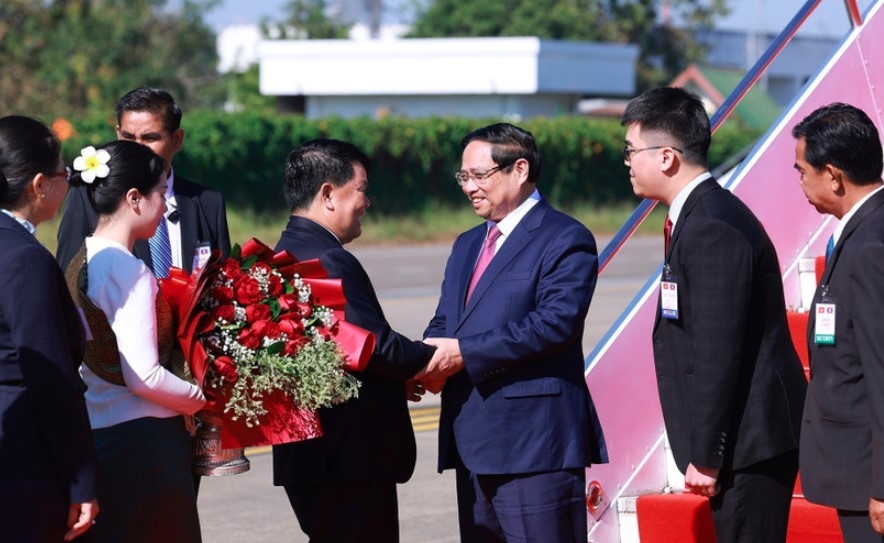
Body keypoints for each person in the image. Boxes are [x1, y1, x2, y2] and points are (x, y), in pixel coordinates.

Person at [620, 86, 807, 542]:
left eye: (631, 151)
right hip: (739, 442)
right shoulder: (697, 215)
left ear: (666, 157)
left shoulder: (711, 227)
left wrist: (706, 453)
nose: (626, 162)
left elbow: (717, 350)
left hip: (747, 446)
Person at [416, 122, 607, 542]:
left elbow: (555, 324)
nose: (469, 188)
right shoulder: (467, 243)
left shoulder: (565, 237)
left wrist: (462, 352)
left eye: (479, 176)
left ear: (519, 169)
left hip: (535, 446)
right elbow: (446, 320)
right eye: (463, 177)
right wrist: (423, 362)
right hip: (473, 439)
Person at [271, 138, 436, 542]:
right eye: (361, 190)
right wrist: (438, 356)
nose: (367, 202)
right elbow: (372, 345)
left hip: (311, 457)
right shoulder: (326, 259)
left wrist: (397, 377)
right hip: (347, 460)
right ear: (328, 193)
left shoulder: (281, 253)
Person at [65, 140, 207, 542]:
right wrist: (204, 398)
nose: (165, 204)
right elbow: (144, 376)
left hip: (103, 432)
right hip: (145, 444)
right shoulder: (128, 270)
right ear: (133, 198)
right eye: (161, 193)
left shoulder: (85, 258)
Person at [0, 115, 99, 542]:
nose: (66, 184)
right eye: (64, 174)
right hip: (23, 465)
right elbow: (49, 377)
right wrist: (81, 481)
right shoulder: (24, 258)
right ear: (39, 184)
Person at [792, 103, 884, 542]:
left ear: (833, 175)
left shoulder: (870, 247)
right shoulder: (862, 229)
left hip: (867, 475)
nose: (800, 183)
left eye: (802, 172)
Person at [57, 86, 230, 275]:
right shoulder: (90, 195)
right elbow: (68, 278)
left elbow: (224, 284)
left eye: (149, 138)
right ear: (117, 133)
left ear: (177, 139)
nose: (137, 149)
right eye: (128, 137)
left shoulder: (207, 203)